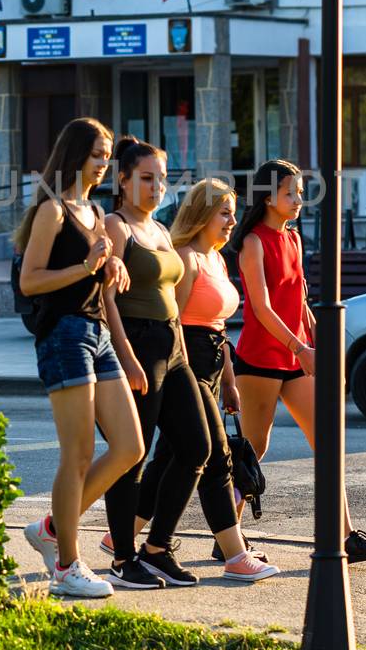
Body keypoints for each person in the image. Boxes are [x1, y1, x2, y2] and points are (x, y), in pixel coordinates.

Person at [104, 178, 280, 583]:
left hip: (213, 365)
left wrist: (231, 381)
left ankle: (129, 541)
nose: (232, 221)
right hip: (184, 362)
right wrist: (176, 373)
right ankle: (233, 554)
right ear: (201, 214)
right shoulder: (185, 258)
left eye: (233, 212)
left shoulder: (216, 258)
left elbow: (220, 326)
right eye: (224, 212)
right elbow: (175, 321)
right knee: (214, 455)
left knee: (173, 458)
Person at [234, 159, 366, 564]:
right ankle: (228, 536)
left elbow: (299, 300)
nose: (299, 200)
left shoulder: (292, 239)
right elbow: (261, 307)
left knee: (327, 441)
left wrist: (314, 344)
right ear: (269, 197)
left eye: (301, 193)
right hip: (260, 358)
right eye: (291, 193)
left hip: (295, 356)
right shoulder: (253, 242)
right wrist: (299, 347)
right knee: (253, 449)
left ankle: (345, 538)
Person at [16, 118, 142, 599]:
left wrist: (108, 269)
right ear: (75, 156)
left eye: (107, 155)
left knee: (129, 446)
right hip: (63, 334)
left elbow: (88, 271)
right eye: (98, 155)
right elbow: (31, 282)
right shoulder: (52, 211)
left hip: (97, 331)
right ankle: (66, 565)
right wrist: (85, 266)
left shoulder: (93, 211)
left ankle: (51, 529)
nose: (105, 163)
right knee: (79, 452)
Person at [97, 137, 212, 588]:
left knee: (196, 447)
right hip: (137, 347)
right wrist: (126, 358)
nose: (156, 187)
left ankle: (157, 548)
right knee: (132, 457)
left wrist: (181, 349)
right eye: (147, 179)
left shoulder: (161, 230)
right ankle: (123, 559)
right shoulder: (116, 225)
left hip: (174, 346)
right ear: (122, 180)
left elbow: (171, 295)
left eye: (162, 179)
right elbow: (107, 299)